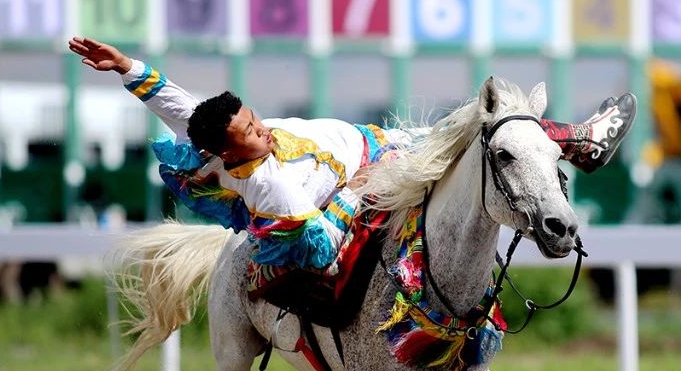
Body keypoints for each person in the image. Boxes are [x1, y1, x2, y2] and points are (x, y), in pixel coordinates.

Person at [68, 36, 636, 272]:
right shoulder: (271, 190)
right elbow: (313, 244)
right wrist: (358, 196)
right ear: (223, 149)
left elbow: (175, 101)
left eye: (254, 116)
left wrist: (125, 67)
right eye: (249, 129)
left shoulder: (207, 129)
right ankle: (577, 141)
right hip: (365, 184)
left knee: (474, 131)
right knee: (473, 131)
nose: (262, 128)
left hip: (377, 141)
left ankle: (573, 140)